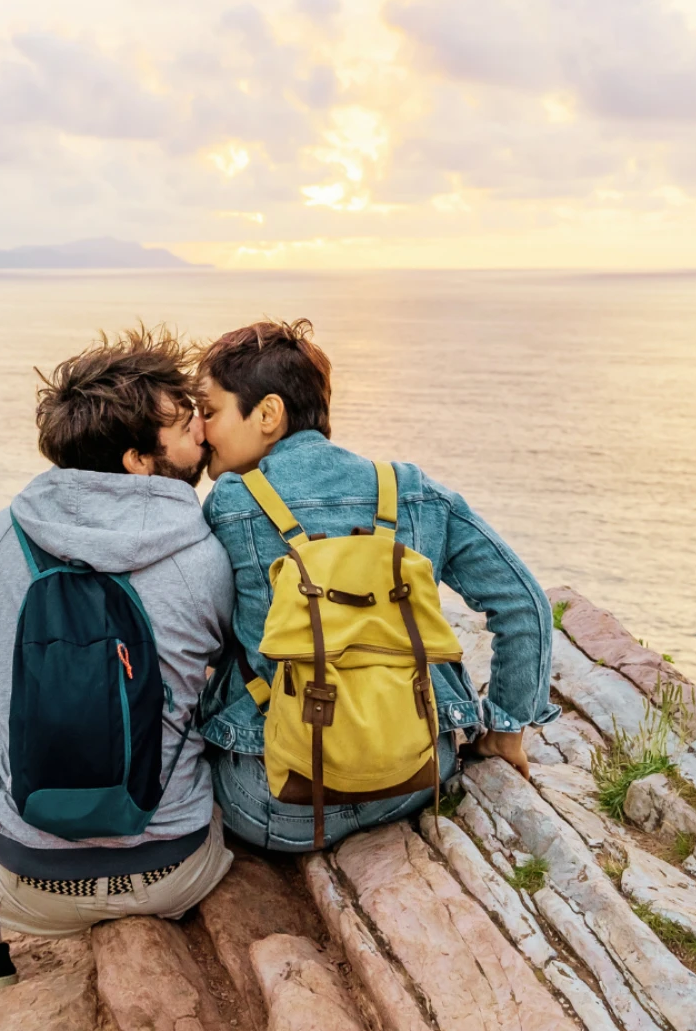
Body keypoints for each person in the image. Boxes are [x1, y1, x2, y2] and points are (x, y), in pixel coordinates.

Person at [0, 328, 234, 1002]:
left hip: (31, 887)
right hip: (179, 872)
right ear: (140, 460)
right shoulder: (210, 557)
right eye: (183, 421)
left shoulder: (1, 537)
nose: (201, 429)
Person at [194, 319, 559, 853]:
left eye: (209, 411)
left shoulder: (230, 504)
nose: (201, 432)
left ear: (268, 414)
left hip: (274, 804)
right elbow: (525, 605)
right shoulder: (412, 491)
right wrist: (504, 732)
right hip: (414, 777)